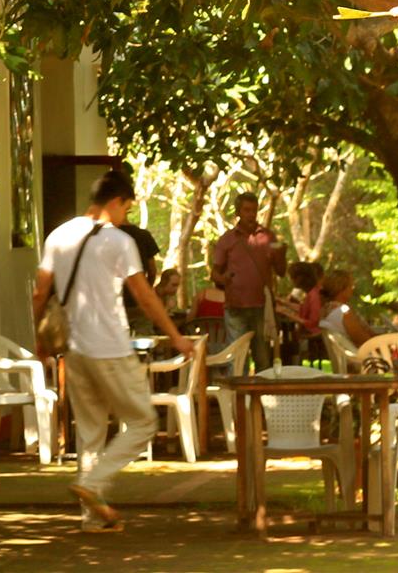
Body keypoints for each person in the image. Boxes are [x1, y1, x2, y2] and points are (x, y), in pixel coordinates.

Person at [32, 170, 194, 533]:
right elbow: (145, 295)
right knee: (143, 422)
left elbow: (40, 293)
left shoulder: (59, 236)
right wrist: (176, 336)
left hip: (74, 349)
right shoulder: (118, 242)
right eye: (127, 207)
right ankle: (94, 484)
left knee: (89, 432)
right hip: (110, 347)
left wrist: (40, 337)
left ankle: (92, 519)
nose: (126, 215)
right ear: (116, 202)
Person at [210, 192, 286, 370]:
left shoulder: (268, 237)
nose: (251, 214)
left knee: (263, 358)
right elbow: (214, 274)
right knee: (236, 359)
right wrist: (224, 279)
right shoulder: (227, 239)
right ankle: (238, 397)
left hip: (261, 307)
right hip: (235, 307)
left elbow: (281, 271)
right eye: (246, 210)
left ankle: (263, 397)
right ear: (238, 212)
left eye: (254, 210)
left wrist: (281, 255)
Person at [118, 217, 161, 334]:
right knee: (145, 341)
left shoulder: (108, 238)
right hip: (139, 299)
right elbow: (152, 270)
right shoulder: (143, 235)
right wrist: (146, 288)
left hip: (116, 301)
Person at [317, 269, 376, 347]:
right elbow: (363, 340)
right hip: (364, 355)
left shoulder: (326, 309)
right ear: (341, 289)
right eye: (351, 285)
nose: (353, 288)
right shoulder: (344, 311)